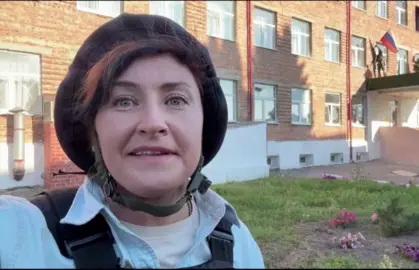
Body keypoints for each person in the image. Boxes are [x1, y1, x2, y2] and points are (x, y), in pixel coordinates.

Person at [0, 14, 264, 268]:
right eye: (123, 101)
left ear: (203, 123)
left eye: (175, 100)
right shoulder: (22, 235)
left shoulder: (238, 242)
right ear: (93, 132)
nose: (153, 123)